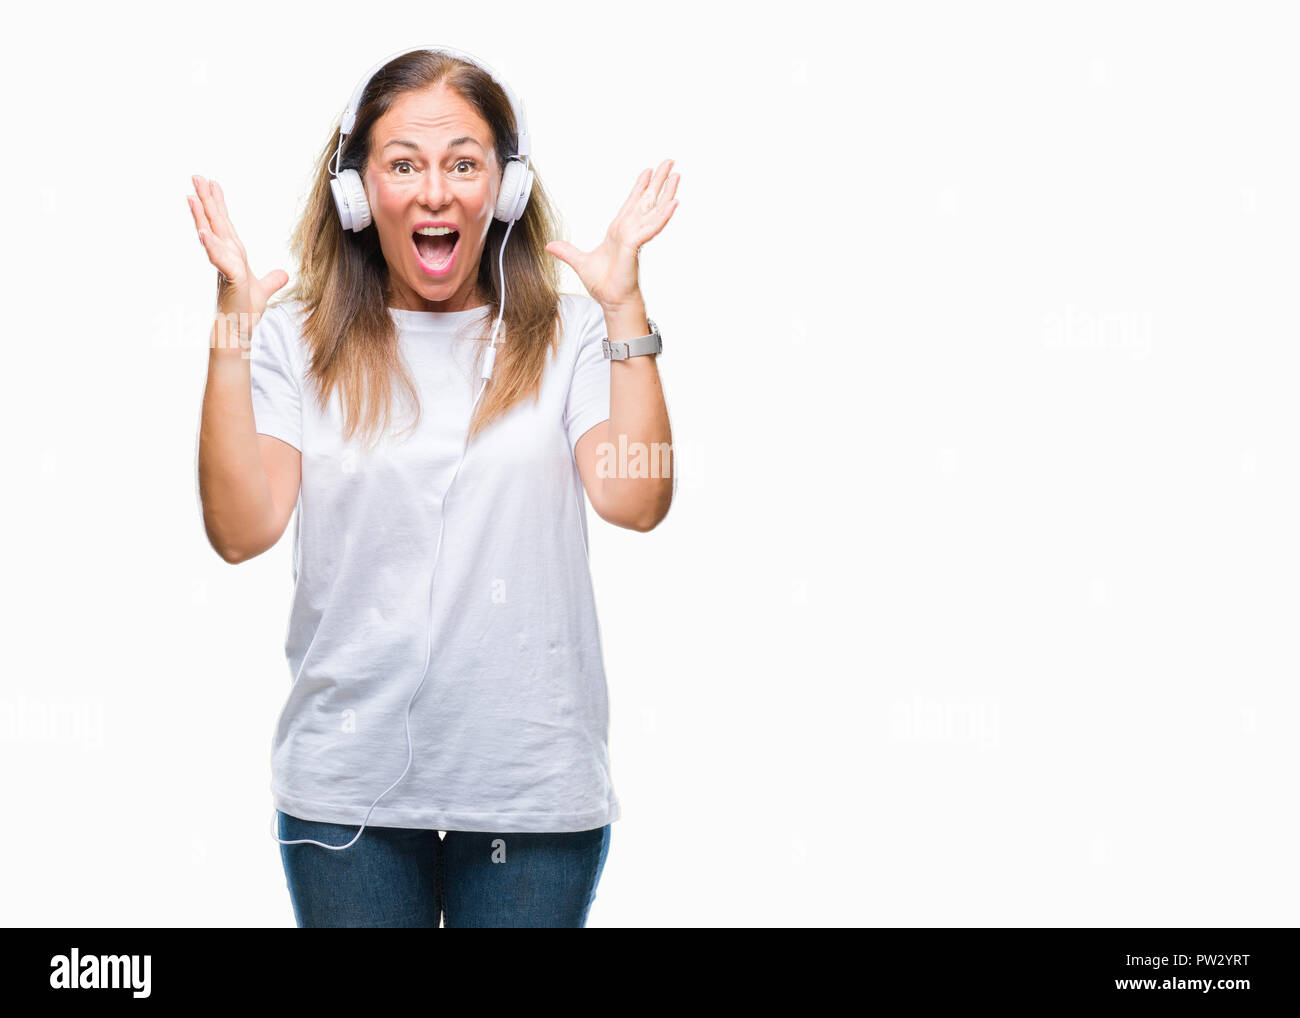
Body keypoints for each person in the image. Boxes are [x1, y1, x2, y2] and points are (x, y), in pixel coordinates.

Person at [191, 46, 678, 927]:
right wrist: (231, 334)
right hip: (347, 799)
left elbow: (634, 498)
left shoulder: (572, 334)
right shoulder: (293, 339)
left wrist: (622, 312)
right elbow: (241, 529)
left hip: (533, 791)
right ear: (356, 191)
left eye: (463, 163)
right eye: (403, 165)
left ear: (506, 188)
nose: (435, 192)